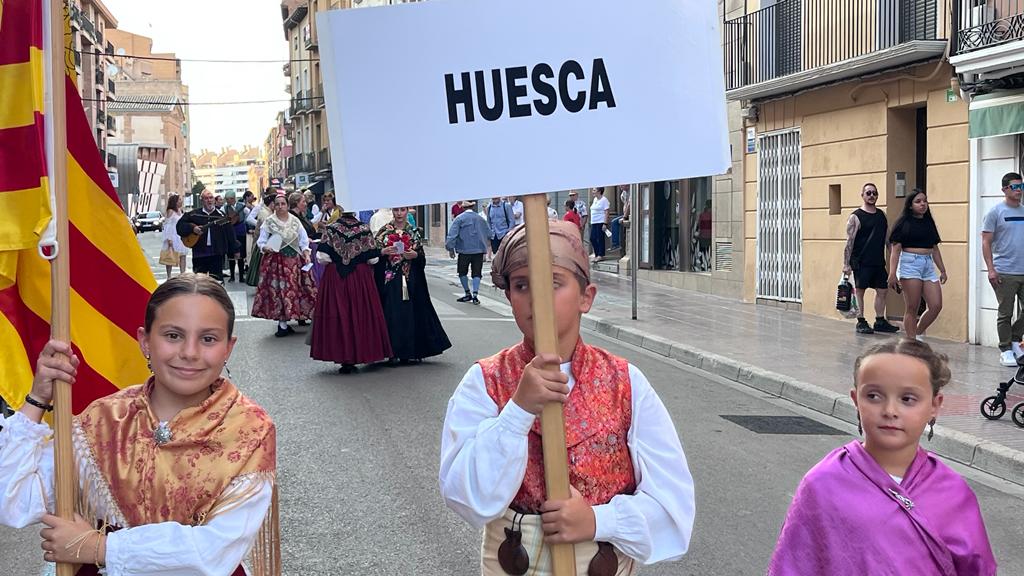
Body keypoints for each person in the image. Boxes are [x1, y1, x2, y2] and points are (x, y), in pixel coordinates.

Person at [439, 221, 695, 575]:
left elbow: (674, 508)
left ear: (586, 297)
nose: (536, 298)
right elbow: (465, 498)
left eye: (553, 283)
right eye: (521, 285)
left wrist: (598, 521)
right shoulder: (484, 381)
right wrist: (518, 411)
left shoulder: (626, 383)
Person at [0, 274, 278, 575]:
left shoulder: (249, 429)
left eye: (208, 338)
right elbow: (13, 500)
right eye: (173, 335)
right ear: (145, 341)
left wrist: (101, 548)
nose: (189, 352)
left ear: (228, 347)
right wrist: (38, 399)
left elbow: (215, 550)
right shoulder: (104, 420)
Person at [768, 340, 995, 575]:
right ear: (856, 400)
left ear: (934, 406)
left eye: (907, 399)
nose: (889, 410)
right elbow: (793, 565)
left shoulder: (953, 492)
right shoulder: (823, 483)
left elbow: (978, 567)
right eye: (874, 396)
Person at [311, 211, 392, 374]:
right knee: (359, 313)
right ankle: (359, 353)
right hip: (360, 277)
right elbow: (373, 259)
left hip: (336, 277)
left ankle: (343, 358)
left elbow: (322, 257)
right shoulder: (364, 228)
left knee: (339, 314)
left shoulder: (331, 229)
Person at [375, 207, 452, 363]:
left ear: (406, 212)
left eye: (402, 210)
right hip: (390, 279)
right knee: (391, 313)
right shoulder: (385, 231)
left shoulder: (414, 232)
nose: (399, 214)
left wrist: (415, 255)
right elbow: (374, 253)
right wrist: (384, 252)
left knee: (411, 313)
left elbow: (421, 256)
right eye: (396, 210)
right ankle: (392, 351)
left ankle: (410, 351)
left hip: (411, 279)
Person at [252, 192, 317, 337]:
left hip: (294, 260)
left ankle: (302, 315)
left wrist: (306, 254)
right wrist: (265, 247)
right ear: (274, 206)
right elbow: (261, 241)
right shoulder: (269, 222)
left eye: (283, 204)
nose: (280, 206)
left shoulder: (295, 221)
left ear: (287, 206)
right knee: (280, 291)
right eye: (277, 204)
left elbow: (303, 240)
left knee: (300, 288)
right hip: (277, 261)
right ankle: (282, 324)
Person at [888, 188, 946, 342]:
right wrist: (892, 274)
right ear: (910, 205)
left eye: (925, 201)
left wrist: (942, 269)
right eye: (918, 201)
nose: (923, 204)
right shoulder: (903, 223)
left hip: (928, 264)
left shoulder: (928, 222)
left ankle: (918, 332)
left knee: (936, 305)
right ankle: (911, 340)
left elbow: (934, 248)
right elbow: (896, 249)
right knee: (912, 306)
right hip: (910, 263)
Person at [842, 183, 900, 335]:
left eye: (874, 193)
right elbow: (849, 242)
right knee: (860, 291)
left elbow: (888, 240)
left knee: (882, 290)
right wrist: (846, 264)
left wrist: (894, 258)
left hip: (878, 261)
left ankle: (880, 320)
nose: (872, 196)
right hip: (861, 262)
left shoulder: (882, 215)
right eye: (868, 193)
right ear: (862, 195)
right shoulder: (855, 217)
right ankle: (861, 322)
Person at [982, 171, 1024, 366]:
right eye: (1015, 187)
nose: (1019, 190)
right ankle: (1006, 349)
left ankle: (1015, 339)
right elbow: (986, 242)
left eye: (1021, 186)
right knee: (1005, 312)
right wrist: (991, 269)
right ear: (1005, 189)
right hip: (1004, 271)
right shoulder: (995, 212)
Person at [176, 189, 239, 283]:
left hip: (217, 253)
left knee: (217, 282)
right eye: (206, 198)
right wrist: (192, 228)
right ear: (202, 200)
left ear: (214, 200)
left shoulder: (221, 215)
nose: (209, 200)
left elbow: (230, 233)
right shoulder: (194, 214)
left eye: (211, 198)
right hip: (199, 253)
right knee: (199, 283)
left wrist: (236, 249)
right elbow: (179, 226)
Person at [446, 204, 491, 305]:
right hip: (478, 250)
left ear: (463, 208)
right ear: (473, 208)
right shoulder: (480, 219)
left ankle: (467, 293)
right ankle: (475, 294)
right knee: (477, 272)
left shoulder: (459, 219)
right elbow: (489, 233)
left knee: (462, 272)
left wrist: (450, 248)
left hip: (464, 250)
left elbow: (452, 235)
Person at [245, 189, 277, 287]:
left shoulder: (270, 212)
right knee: (260, 264)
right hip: (262, 242)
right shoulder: (263, 211)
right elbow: (249, 219)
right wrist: (259, 225)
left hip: (268, 242)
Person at [224, 191, 250, 283]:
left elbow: (248, 215)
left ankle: (241, 276)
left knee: (241, 255)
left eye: (229, 199)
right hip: (231, 232)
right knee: (231, 255)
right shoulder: (225, 208)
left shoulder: (242, 206)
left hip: (240, 231)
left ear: (233, 198)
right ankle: (232, 276)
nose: (228, 201)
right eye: (226, 199)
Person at [160, 193, 188, 277]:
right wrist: (168, 238)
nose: (181, 201)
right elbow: (167, 225)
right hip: (172, 236)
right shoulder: (170, 211)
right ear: (175, 201)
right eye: (179, 199)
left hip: (180, 236)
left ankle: (182, 274)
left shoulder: (180, 210)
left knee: (183, 255)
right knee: (170, 255)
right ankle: (169, 276)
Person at [589, 187, 610, 260]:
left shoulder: (604, 200)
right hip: (594, 222)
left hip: (600, 221)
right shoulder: (595, 199)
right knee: (592, 238)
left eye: (594, 190)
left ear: (599, 191)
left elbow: (607, 212)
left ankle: (600, 255)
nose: (592, 192)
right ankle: (597, 253)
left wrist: (605, 223)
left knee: (600, 238)